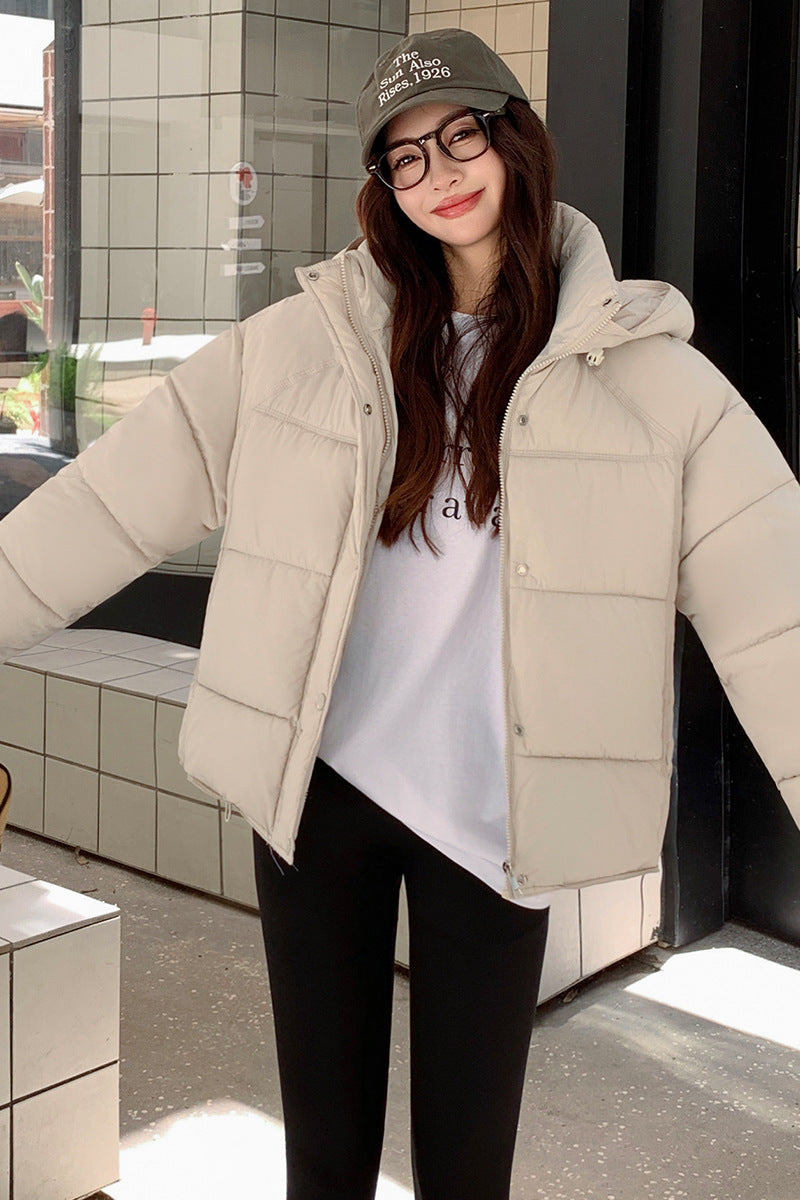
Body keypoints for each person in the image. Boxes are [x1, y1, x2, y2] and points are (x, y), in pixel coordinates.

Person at [0, 24, 799, 1200]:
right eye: (404, 158)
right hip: (320, 790)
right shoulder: (301, 347)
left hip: (497, 812)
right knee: (323, 1160)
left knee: (465, 1171)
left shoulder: (650, 378)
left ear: (514, 138)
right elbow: (109, 504)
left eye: (459, 135)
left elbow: (776, 613)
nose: (438, 175)